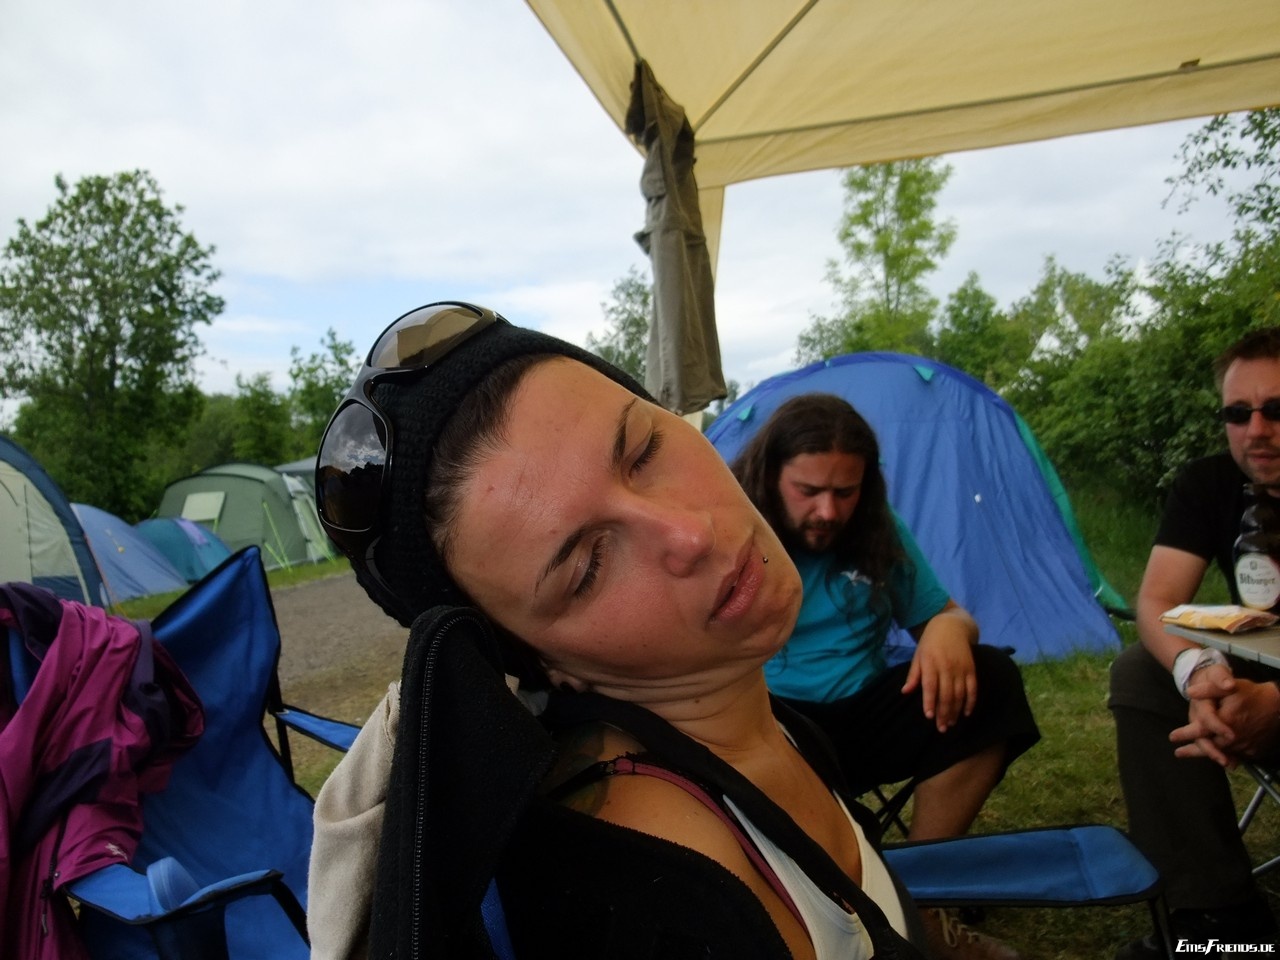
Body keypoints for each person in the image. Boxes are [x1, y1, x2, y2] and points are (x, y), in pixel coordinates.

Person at [308, 301, 930, 960]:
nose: (690, 533)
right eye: (589, 567)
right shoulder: (665, 902)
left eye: (645, 450)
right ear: (545, 661)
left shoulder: (763, 721)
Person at [730, 393, 1041, 960]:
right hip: (771, 727)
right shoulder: (730, 533)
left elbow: (945, 613)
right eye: (808, 491)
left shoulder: (875, 530)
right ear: (770, 477)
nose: (828, 511)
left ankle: (922, 895)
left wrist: (948, 629)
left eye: (845, 492)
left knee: (993, 679)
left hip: (863, 719)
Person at [1109, 327, 1280, 957]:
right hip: (1261, 662)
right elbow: (1156, 601)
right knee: (1142, 671)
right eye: (1238, 413)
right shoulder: (1211, 484)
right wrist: (1198, 671)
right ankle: (1216, 915)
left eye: (1276, 409)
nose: (1256, 430)